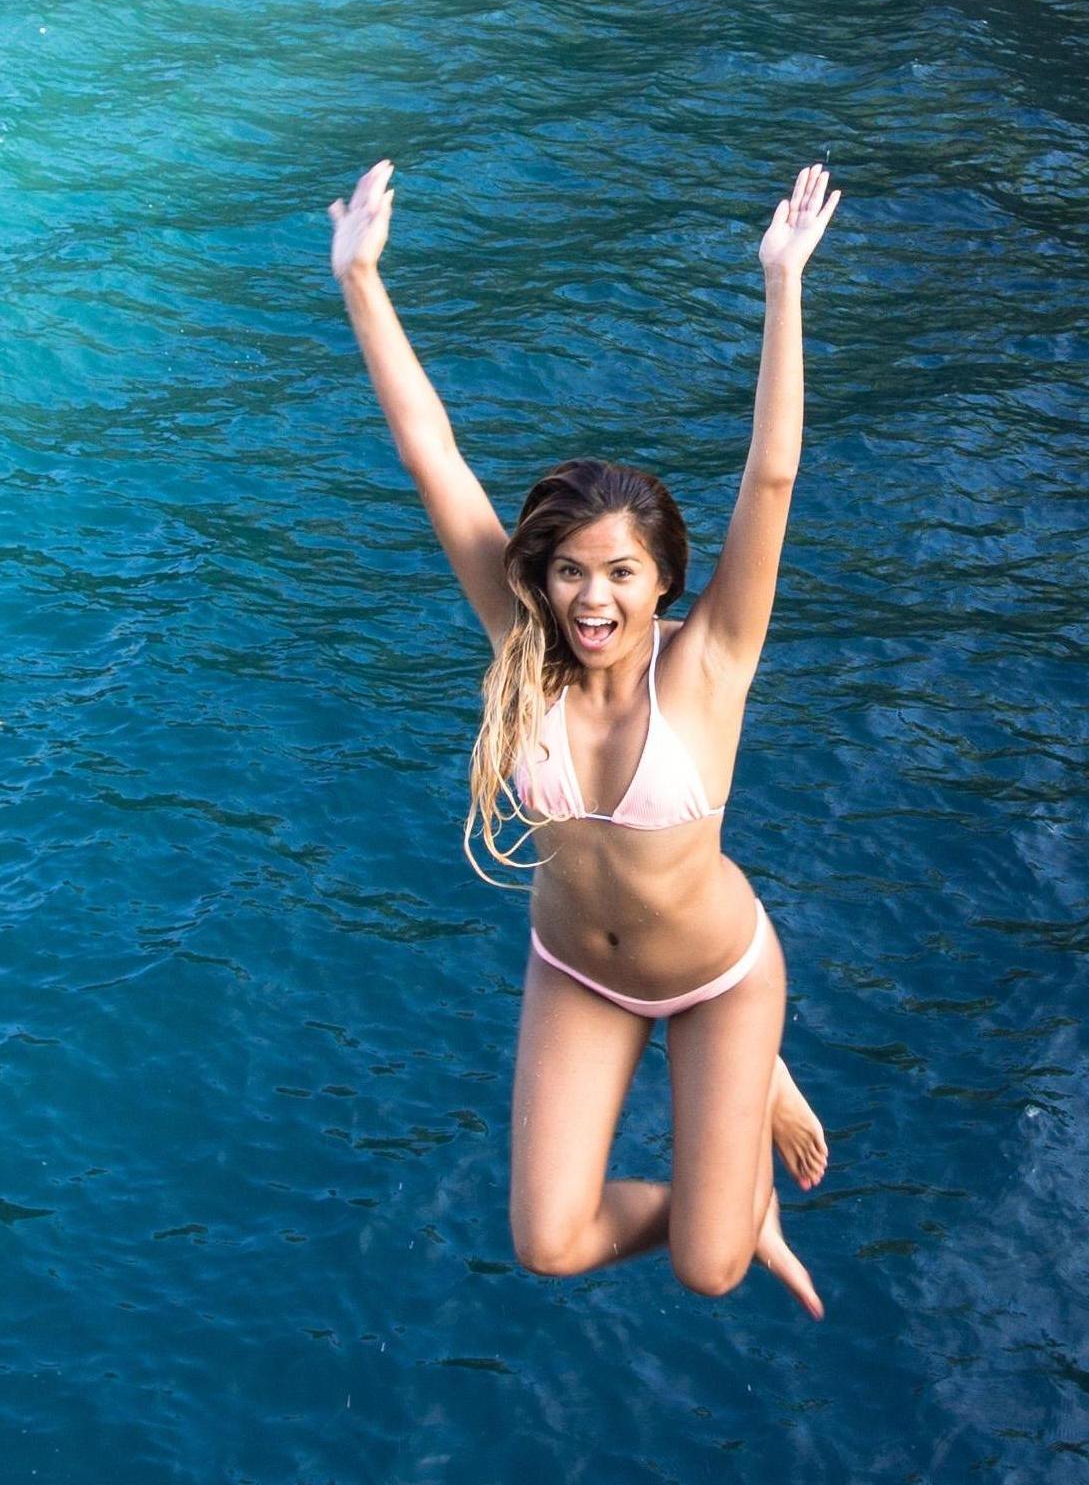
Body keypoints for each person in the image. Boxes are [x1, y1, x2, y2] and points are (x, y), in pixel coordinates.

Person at [331, 153, 844, 1316]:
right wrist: (360, 276)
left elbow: (770, 477)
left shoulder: (709, 661)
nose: (590, 598)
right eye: (567, 572)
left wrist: (781, 285)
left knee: (710, 1273)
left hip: (716, 973)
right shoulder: (522, 648)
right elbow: (433, 456)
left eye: (619, 571)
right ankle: (729, 1188)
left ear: (664, 576)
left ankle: (748, 1102)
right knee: (550, 1244)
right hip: (576, 967)